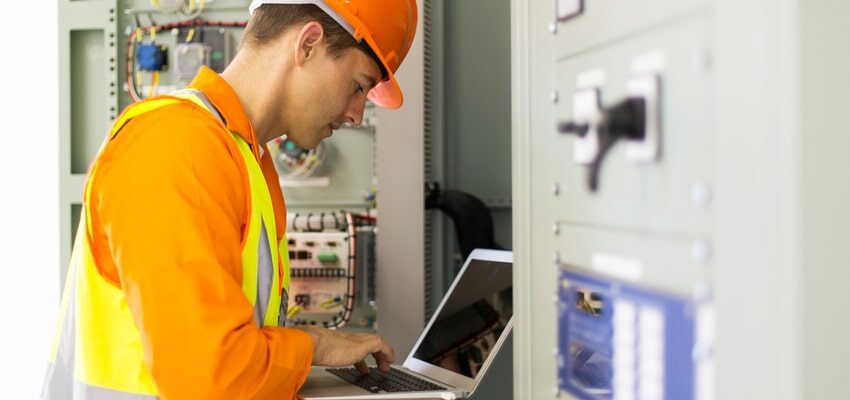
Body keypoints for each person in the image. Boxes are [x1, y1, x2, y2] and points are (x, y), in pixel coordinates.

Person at [41, 0, 417, 398]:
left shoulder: (246, 159)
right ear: (307, 44)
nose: (357, 114)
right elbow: (210, 379)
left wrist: (310, 346)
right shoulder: (177, 146)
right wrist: (315, 346)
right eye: (359, 86)